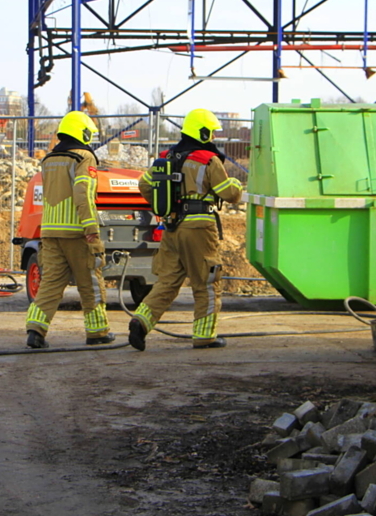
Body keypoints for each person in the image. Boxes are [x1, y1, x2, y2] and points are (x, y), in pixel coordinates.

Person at [129, 109, 243, 350]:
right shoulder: (207, 159)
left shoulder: (167, 157)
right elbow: (230, 194)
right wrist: (235, 182)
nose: (212, 136)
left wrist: (164, 207)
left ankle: (141, 321)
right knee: (207, 281)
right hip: (199, 227)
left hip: (172, 227)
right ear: (202, 132)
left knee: (167, 281)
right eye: (210, 132)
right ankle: (204, 336)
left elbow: (144, 184)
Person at [24, 111, 115, 348]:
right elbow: (83, 194)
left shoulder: (48, 160)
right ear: (82, 133)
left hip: (50, 232)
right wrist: (91, 228)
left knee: (51, 283)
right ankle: (98, 332)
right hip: (77, 232)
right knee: (90, 282)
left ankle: (35, 330)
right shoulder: (83, 157)